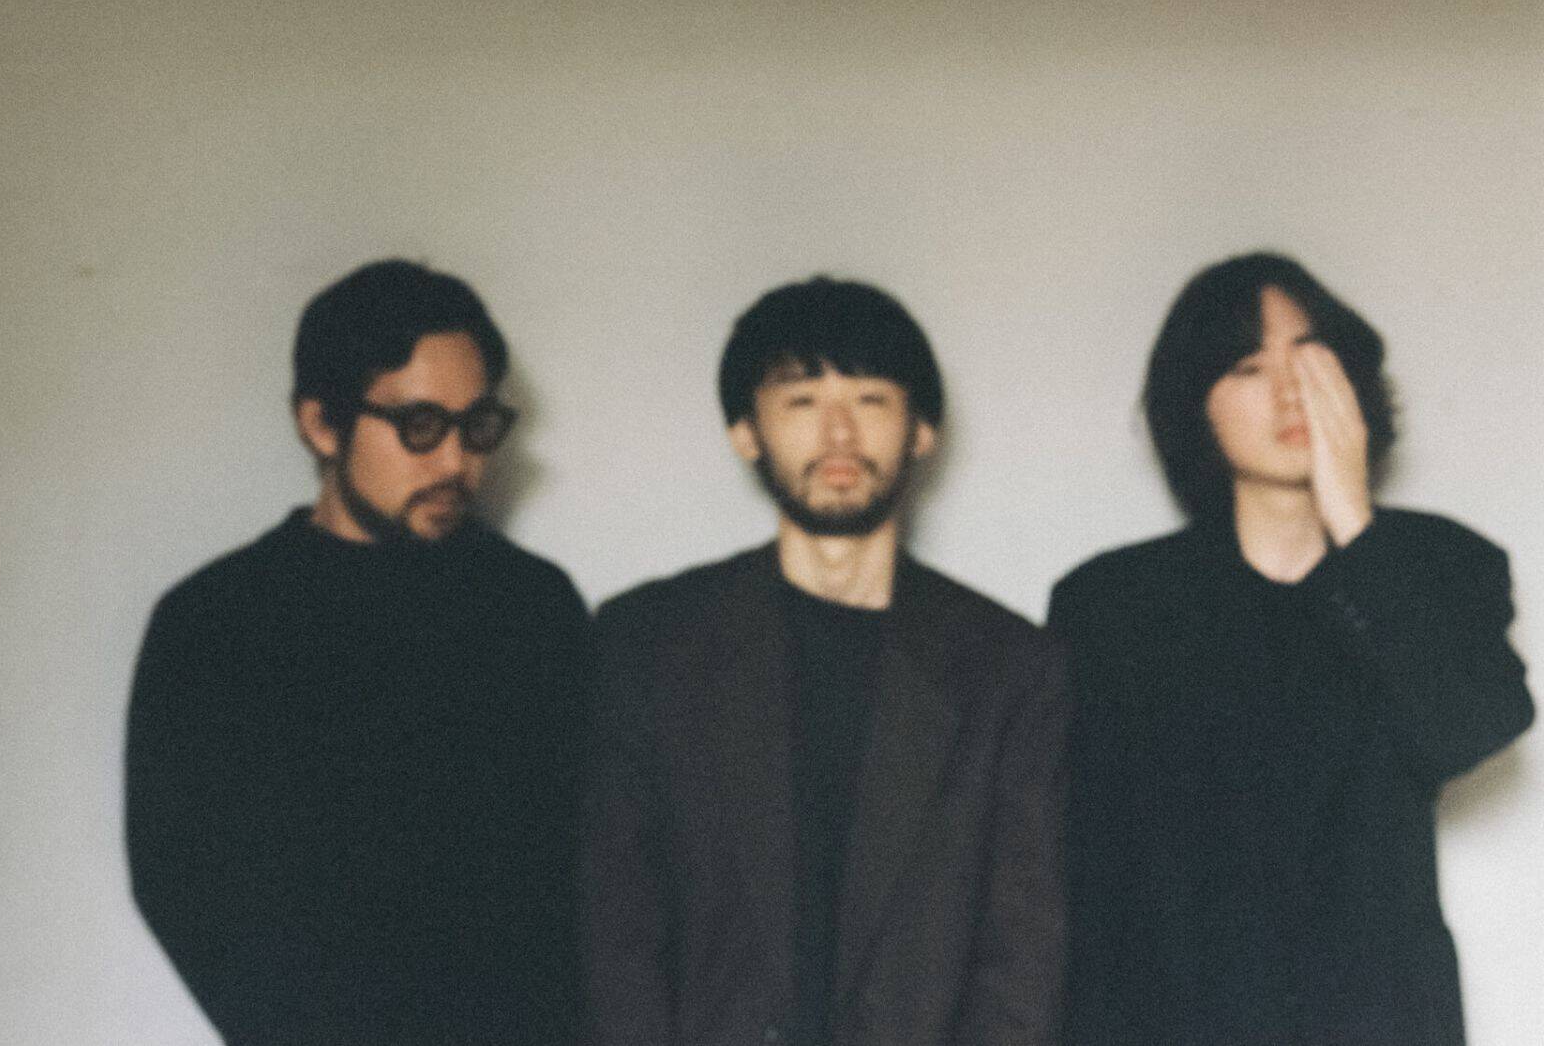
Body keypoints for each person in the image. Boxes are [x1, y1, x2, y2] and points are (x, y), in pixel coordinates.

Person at [1049, 252, 1533, 1046]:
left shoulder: (1442, 566)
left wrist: (1354, 525)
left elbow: (1470, 727)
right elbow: (1086, 866)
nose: (1288, 391)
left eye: (1309, 356)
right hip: (1171, 1020)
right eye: (1247, 366)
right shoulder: (1112, 604)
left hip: (1378, 1020)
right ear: (1194, 406)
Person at [582, 276, 1068, 1046]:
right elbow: (617, 932)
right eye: (802, 401)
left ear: (921, 430)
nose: (839, 433)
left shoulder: (1009, 669)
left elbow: (1022, 956)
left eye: (871, 399)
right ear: (746, 432)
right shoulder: (649, 644)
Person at [125, 259, 589, 1046]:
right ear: (321, 423)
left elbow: (588, 867)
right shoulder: (213, 624)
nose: (455, 461)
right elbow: (185, 886)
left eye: (477, 425)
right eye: (420, 425)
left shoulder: (534, 607)